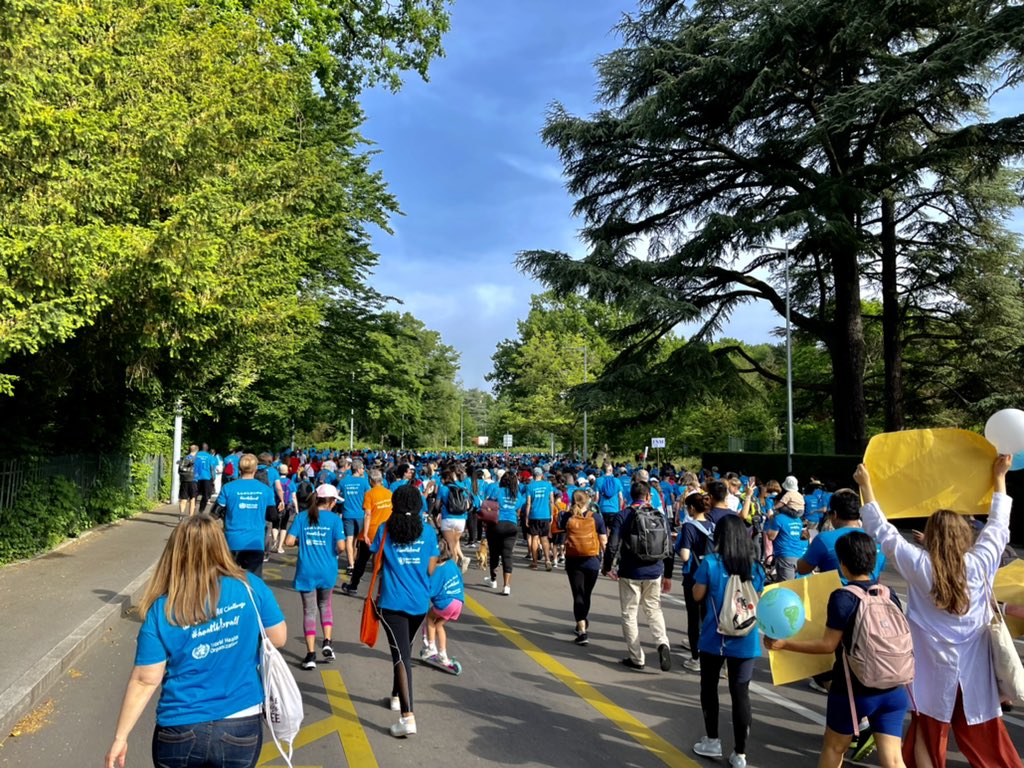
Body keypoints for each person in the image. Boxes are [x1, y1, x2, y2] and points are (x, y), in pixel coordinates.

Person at [855, 458, 1023, 768]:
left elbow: (884, 532)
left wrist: (865, 485)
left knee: (927, 739)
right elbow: (999, 524)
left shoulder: (920, 566)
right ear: (965, 536)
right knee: (991, 744)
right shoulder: (981, 562)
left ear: (930, 535)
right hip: (976, 675)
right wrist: (1000, 477)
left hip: (929, 674)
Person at [104, 516, 286, 768]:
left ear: (175, 553)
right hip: (240, 720)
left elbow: (146, 679)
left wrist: (120, 737)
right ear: (221, 546)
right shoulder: (250, 587)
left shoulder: (162, 608)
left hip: (180, 725)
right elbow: (278, 637)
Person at [764, 531, 910, 768]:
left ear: (842, 563)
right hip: (894, 687)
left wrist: (785, 644)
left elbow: (827, 645)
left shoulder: (843, 597)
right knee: (894, 760)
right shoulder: (888, 593)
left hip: (854, 689)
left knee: (834, 748)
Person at [692, 514, 767, 768]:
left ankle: (712, 740)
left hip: (715, 638)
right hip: (746, 640)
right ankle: (740, 754)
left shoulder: (710, 563)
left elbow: (697, 596)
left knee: (709, 688)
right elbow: (755, 600)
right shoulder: (755, 568)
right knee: (740, 693)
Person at [370, 484, 439, 737]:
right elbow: (431, 570)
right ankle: (397, 696)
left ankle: (407, 717)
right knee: (403, 651)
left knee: (401, 656)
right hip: (420, 603)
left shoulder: (384, 530)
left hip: (392, 603)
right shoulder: (429, 533)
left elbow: (374, 564)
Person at [602, 480, 673, 672]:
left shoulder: (623, 515)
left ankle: (636, 657)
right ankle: (662, 643)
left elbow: (612, 545)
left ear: (628, 497)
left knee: (629, 614)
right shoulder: (660, 516)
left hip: (630, 572)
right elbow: (669, 547)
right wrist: (668, 574)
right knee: (654, 610)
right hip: (655, 570)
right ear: (649, 496)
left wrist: (607, 566)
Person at [286, 483, 345, 670]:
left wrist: (303, 543)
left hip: (306, 570)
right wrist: (334, 551)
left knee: (309, 611)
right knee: (325, 606)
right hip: (327, 569)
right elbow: (342, 546)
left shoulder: (302, 517)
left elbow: (288, 541)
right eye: (335, 500)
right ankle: (327, 641)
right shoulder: (335, 520)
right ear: (330, 501)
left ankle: (310, 655)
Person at [554, 489, 608, 645]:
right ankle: (582, 619)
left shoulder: (567, 516)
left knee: (578, 594)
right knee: (586, 594)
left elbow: (560, 528)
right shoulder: (596, 518)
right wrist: (608, 563)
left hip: (573, 560)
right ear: (588, 501)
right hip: (592, 561)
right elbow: (604, 541)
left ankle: (582, 629)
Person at [210, 453, 278, 577]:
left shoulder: (228, 488)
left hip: (232, 541)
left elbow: (214, 514)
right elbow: (272, 517)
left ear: (239, 468)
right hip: (255, 542)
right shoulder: (265, 490)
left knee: (229, 580)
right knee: (254, 582)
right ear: (255, 468)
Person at [673, 491, 715, 671]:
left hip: (694, 577)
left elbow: (685, 555)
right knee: (710, 617)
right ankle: (711, 654)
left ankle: (696, 658)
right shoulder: (714, 525)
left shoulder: (689, 527)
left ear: (691, 508)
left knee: (694, 619)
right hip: (713, 575)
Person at [342, 468, 393, 596]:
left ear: (370, 481)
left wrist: (364, 534)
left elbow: (367, 515)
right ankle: (383, 591)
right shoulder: (389, 493)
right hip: (385, 532)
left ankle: (353, 586)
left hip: (371, 532)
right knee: (385, 562)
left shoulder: (369, 494)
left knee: (362, 561)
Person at [420, 540, 465, 667]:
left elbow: (430, 591)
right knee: (439, 625)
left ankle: (431, 647)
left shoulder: (435, 571)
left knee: (429, 617)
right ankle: (443, 655)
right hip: (458, 601)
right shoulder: (452, 564)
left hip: (446, 602)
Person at [483, 470, 525, 596]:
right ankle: (507, 586)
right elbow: (519, 507)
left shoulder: (497, 491)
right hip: (511, 525)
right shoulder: (517, 494)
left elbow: (488, 503)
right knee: (507, 555)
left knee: (494, 553)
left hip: (496, 524)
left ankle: (493, 579)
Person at [765, 481, 808, 582]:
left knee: (787, 587)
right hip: (798, 556)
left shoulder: (779, 518)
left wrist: (769, 523)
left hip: (785, 556)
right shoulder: (798, 520)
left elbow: (771, 537)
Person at [340, 458, 371, 573]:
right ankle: (353, 561)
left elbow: (337, 495)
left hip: (347, 514)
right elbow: (369, 496)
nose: (364, 470)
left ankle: (350, 565)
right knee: (356, 541)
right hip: (360, 515)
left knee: (349, 539)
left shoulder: (344, 481)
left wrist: (343, 502)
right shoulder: (364, 482)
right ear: (358, 469)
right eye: (363, 468)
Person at [525, 467, 556, 570]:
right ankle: (547, 560)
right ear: (542, 475)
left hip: (534, 515)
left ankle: (534, 562)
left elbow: (528, 503)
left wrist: (527, 516)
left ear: (533, 475)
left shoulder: (529, 486)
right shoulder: (548, 485)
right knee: (544, 538)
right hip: (545, 514)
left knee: (534, 538)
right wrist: (551, 514)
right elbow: (551, 501)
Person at [177, 444, 199, 518]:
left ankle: (181, 515)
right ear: (196, 451)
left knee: (183, 498)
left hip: (184, 480)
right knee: (192, 499)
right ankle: (190, 517)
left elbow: (179, 471)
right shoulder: (197, 459)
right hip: (193, 480)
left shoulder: (183, 458)